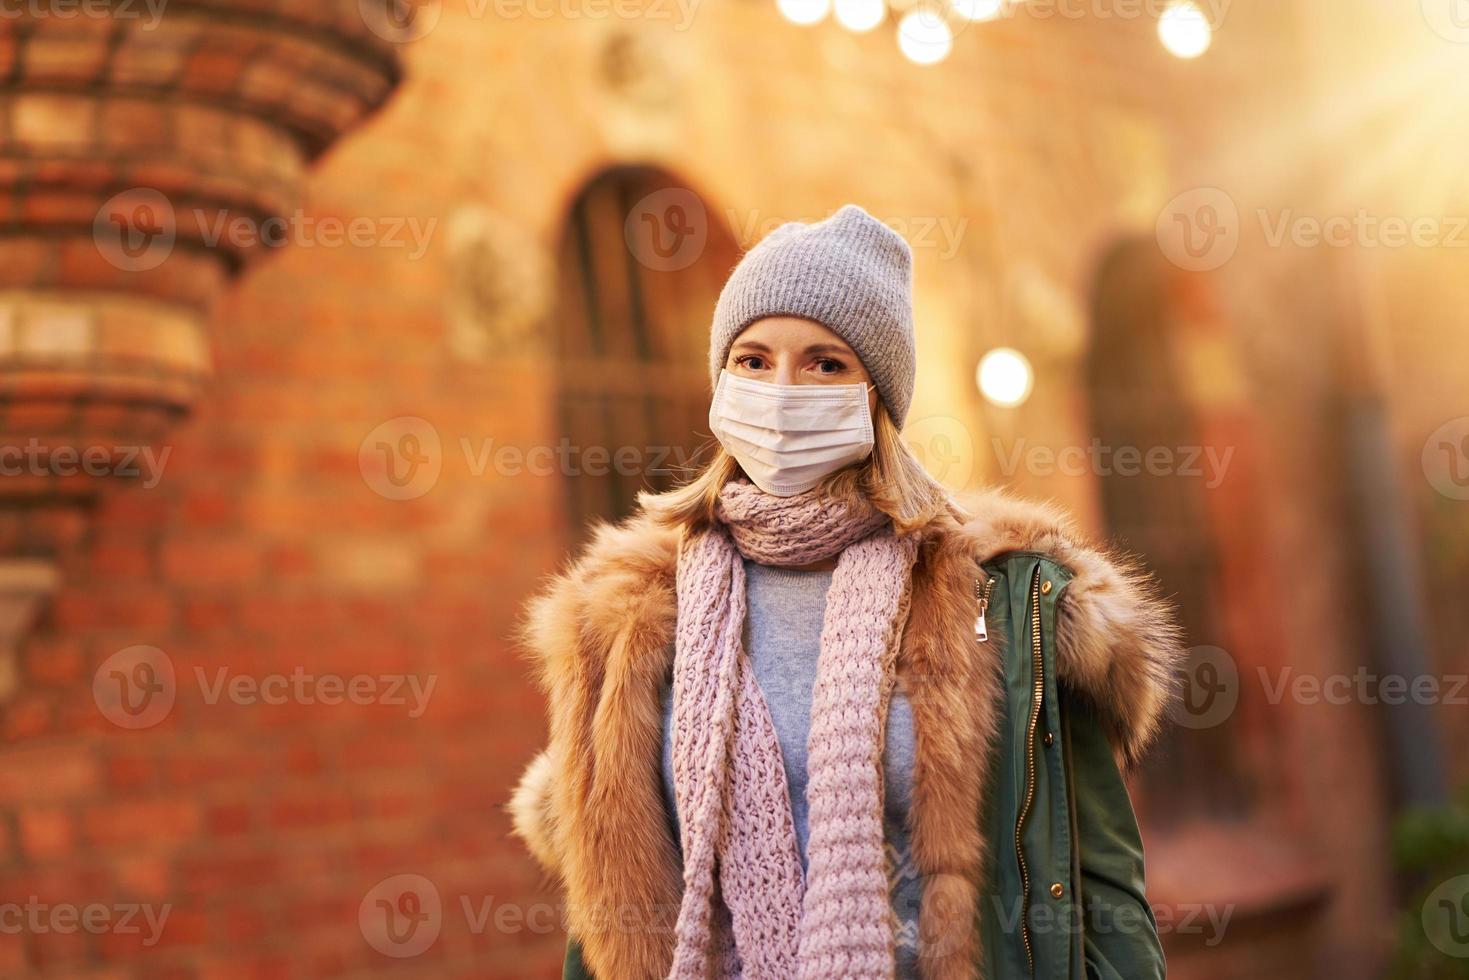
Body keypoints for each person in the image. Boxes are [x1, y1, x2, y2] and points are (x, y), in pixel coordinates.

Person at [510, 204, 1180, 979]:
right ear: (721, 380)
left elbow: (1104, 893)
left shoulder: (1003, 600)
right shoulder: (626, 615)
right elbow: (603, 904)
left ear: (876, 395)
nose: (782, 389)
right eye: (753, 361)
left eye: (825, 363)